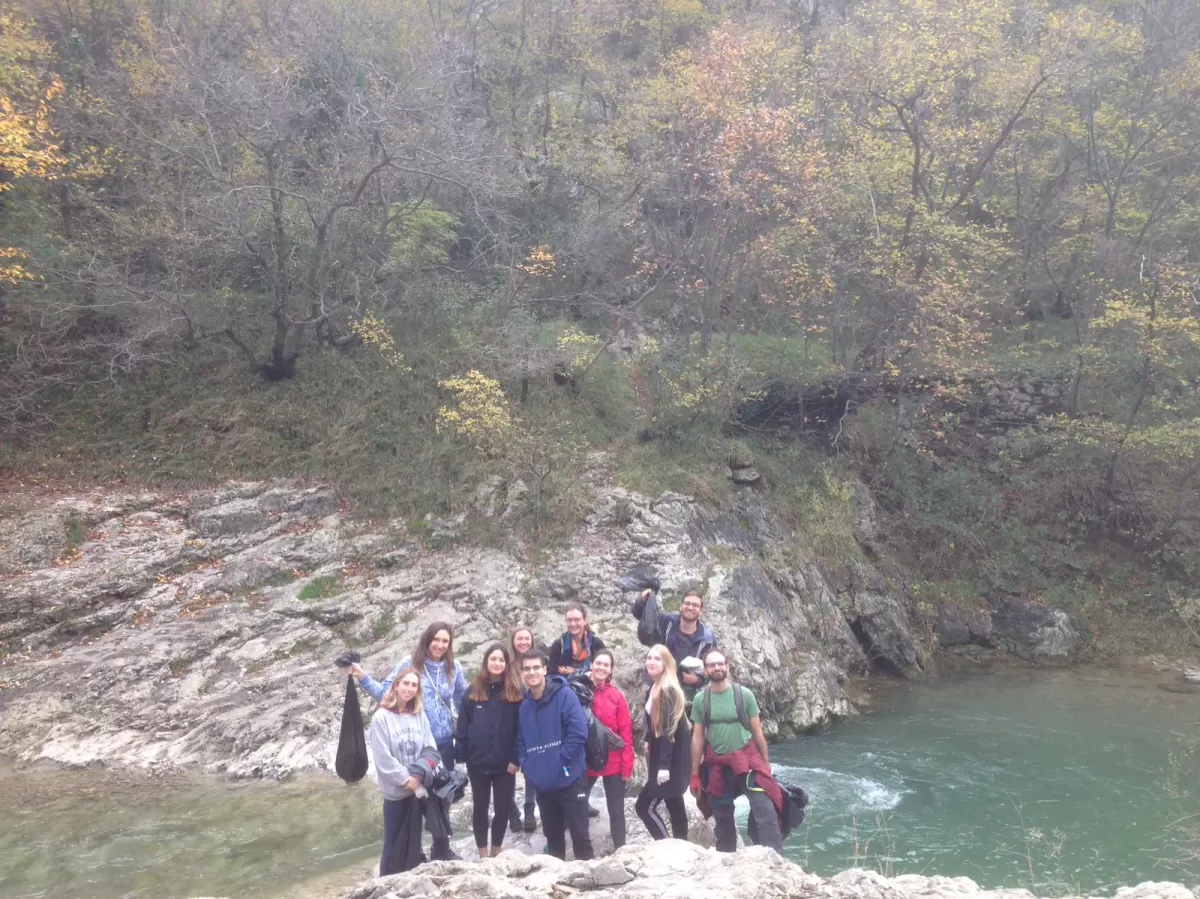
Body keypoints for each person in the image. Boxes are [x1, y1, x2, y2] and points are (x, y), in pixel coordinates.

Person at [349, 621, 467, 860]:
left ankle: (441, 849)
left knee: (440, 798)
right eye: (437, 639)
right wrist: (363, 677)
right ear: (427, 639)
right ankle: (413, 852)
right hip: (413, 744)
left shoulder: (454, 668)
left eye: (445, 641)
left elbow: (464, 699)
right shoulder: (409, 664)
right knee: (413, 798)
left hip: (442, 744)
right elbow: (386, 692)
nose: (440, 645)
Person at [688, 648, 784, 853]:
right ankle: (727, 859)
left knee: (764, 808)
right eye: (711, 665)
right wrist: (695, 774)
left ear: (727, 666)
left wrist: (766, 765)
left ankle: (774, 858)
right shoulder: (700, 700)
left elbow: (758, 732)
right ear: (705, 670)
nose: (717, 668)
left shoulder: (744, 695)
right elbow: (697, 737)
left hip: (747, 761)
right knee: (722, 815)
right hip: (718, 764)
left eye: (720, 663)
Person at [516, 649, 594, 861]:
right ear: (522, 672)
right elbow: (521, 742)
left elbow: (579, 733)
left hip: (571, 779)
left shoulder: (564, 695)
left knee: (580, 837)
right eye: (527, 669)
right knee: (553, 841)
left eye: (535, 668)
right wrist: (528, 766)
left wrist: (560, 760)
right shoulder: (524, 708)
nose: (531, 672)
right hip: (544, 784)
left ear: (544, 670)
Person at [368, 666, 441, 875]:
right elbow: (383, 760)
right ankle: (385, 884)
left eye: (414, 685)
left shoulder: (419, 715)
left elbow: (430, 749)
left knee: (414, 842)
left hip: (417, 789)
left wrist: (418, 776)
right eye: (406, 683)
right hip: (396, 793)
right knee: (392, 844)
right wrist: (405, 779)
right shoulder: (381, 718)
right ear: (396, 685)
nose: (409, 688)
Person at [455, 643, 522, 858]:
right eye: (493, 659)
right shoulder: (473, 691)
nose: (497, 663)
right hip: (478, 763)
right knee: (480, 809)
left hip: (505, 764)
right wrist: (460, 758)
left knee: (502, 809)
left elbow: (521, 729)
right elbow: (463, 726)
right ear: (486, 662)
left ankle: (496, 851)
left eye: (501, 660)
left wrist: (516, 758)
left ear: (506, 664)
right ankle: (483, 855)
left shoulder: (515, 691)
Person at [635, 644, 692, 841]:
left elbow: (669, 730)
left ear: (666, 664)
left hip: (670, 758)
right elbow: (655, 723)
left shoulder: (668, 690)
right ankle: (681, 845)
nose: (651, 662)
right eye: (649, 658)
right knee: (674, 802)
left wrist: (664, 766)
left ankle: (666, 844)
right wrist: (649, 740)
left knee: (643, 807)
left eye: (657, 659)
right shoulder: (654, 687)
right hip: (663, 754)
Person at [585, 649, 634, 849]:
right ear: (591, 665)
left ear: (611, 670)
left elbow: (626, 731)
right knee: (575, 805)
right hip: (586, 760)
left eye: (606, 665)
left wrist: (627, 765)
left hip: (613, 760)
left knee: (616, 810)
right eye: (599, 663)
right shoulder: (580, 689)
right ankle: (580, 850)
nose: (602, 667)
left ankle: (621, 849)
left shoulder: (616, 696)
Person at [631, 589, 716, 696]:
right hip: (659, 686)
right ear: (681, 606)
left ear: (701, 611)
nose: (690, 607)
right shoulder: (667, 622)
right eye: (687, 603)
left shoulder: (707, 638)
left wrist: (698, 680)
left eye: (695, 605)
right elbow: (641, 615)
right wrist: (643, 601)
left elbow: (712, 668)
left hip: (687, 693)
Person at [508, 626, 540, 834]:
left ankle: (529, 808)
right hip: (509, 722)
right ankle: (511, 811)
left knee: (530, 767)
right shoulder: (506, 665)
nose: (523, 642)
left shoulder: (537, 663)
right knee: (508, 768)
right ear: (513, 642)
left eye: (526, 639)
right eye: (519, 639)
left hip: (531, 721)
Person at [547, 602, 606, 677]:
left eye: (577, 620)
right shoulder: (559, 645)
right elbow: (551, 673)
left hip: (591, 685)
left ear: (585, 620)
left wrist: (575, 672)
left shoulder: (596, 644)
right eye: (569, 620)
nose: (573, 624)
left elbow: (605, 668)